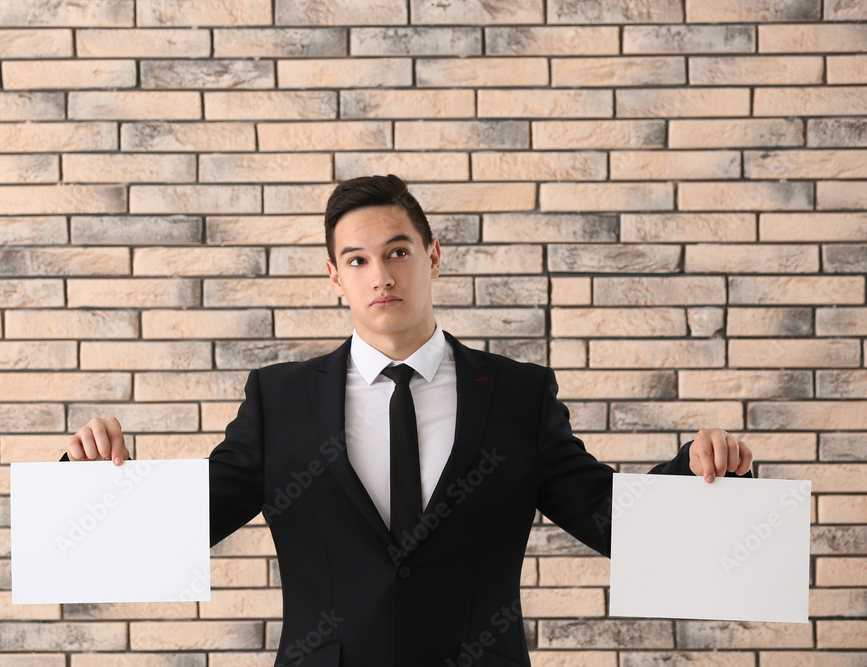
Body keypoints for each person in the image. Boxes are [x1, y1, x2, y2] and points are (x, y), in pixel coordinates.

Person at [63, 174, 753, 666]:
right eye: (357, 260)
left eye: (397, 251)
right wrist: (87, 479)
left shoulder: (517, 394)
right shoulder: (281, 402)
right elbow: (179, 526)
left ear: (432, 255)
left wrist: (701, 469)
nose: (380, 274)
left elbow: (611, 518)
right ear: (335, 276)